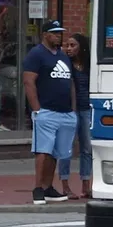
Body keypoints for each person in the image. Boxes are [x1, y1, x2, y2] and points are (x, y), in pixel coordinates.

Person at [23, 19, 75, 205]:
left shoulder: (62, 56)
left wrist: (73, 109)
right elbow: (29, 82)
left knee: (56, 152)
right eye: (54, 33)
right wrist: (37, 109)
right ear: (45, 35)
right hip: (46, 110)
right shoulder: (36, 54)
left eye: (60, 33)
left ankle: (48, 187)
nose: (58, 36)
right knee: (42, 150)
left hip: (65, 111)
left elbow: (70, 83)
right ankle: (37, 188)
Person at [58, 32, 93, 200]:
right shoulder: (65, 64)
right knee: (67, 148)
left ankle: (86, 184)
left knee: (87, 147)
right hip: (70, 110)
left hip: (86, 108)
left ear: (82, 47)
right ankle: (65, 185)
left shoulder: (89, 65)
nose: (69, 49)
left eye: (73, 45)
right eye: (67, 45)